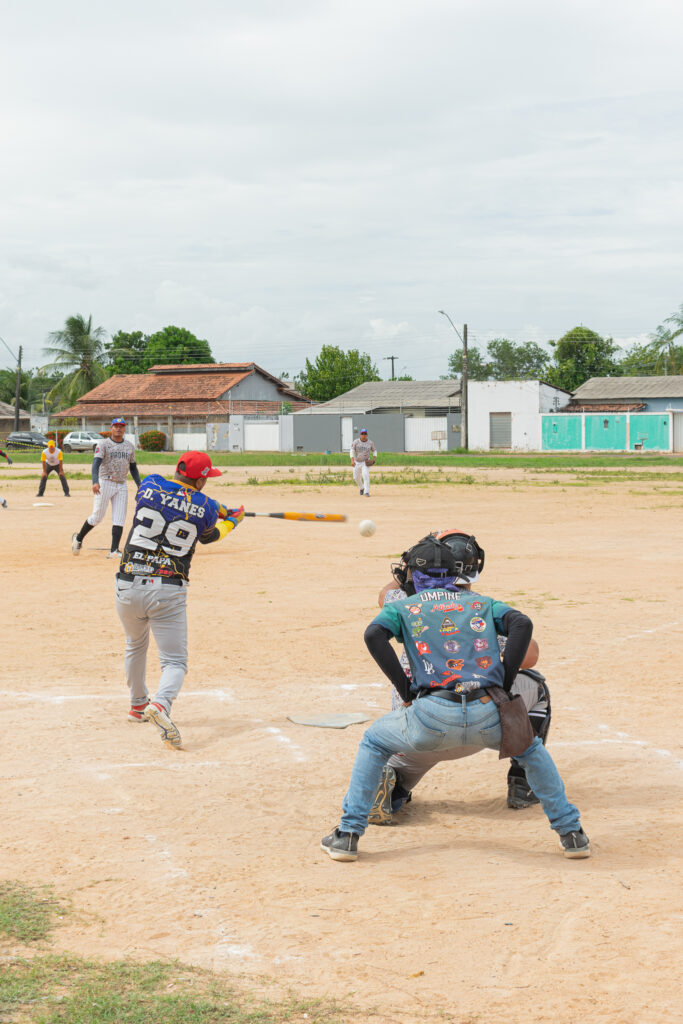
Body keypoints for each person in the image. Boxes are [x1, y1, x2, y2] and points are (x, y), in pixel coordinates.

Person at [321, 533, 590, 862]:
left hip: (430, 717)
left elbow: (373, 634)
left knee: (374, 742)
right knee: (530, 748)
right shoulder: (481, 604)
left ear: (414, 575)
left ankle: (348, 835)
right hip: (487, 713)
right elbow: (522, 623)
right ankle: (571, 833)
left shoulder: (402, 605)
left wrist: (406, 692)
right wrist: (504, 684)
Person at [369, 529, 550, 823]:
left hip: (418, 728)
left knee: (400, 758)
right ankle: (524, 783)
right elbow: (530, 654)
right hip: (480, 726)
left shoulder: (401, 602)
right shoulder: (478, 606)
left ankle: (395, 785)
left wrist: (407, 574)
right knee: (537, 686)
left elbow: (384, 595)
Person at [115, 450, 244, 749]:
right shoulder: (206, 506)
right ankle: (160, 705)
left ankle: (138, 704)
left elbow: (180, 500)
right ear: (200, 480)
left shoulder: (150, 483)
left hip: (127, 582)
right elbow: (209, 535)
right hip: (167, 588)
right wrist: (232, 520)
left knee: (135, 644)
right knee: (174, 661)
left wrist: (218, 507)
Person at [72, 417, 141, 558]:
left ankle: (114, 550)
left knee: (119, 518)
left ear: (124, 428)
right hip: (105, 482)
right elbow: (96, 463)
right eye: (116, 426)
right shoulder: (103, 444)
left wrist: (140, 485)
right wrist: (95, 481)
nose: (118, 428)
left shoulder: (129, 446)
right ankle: (78, 539)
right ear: (111, 428)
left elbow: (133, 467)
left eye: (121, 426)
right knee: (97, 516)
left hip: (121, 484)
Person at [350, 428, 376, 497]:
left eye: (365, 434)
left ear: (367, 435)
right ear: (360, 435)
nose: (363, 435)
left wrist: (374, 459)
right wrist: (352, 460)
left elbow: (374, 451)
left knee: (365, 475)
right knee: (356, 477)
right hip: (357, 461)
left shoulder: (370, 443)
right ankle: (361, 488)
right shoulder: (356, 442)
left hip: (365, 462)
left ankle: (366, 491)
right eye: (362, 434)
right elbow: (352, 451)